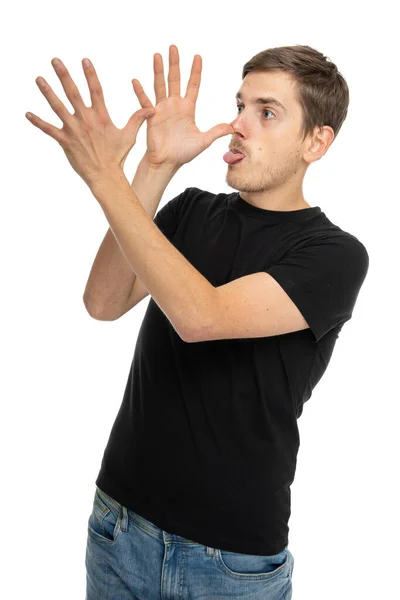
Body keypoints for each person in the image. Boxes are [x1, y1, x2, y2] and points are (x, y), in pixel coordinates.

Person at [84, 44, 369, 599]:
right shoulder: (190, 210)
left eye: (266, 112)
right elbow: (103, 299)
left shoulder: (333, 255)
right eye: (239, 105)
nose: (237, 125)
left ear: (317, 141)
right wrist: (155, 166)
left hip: (230, 562)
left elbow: (201, 316)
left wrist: (104, 178)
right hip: (118, 526)